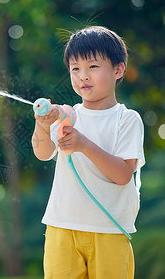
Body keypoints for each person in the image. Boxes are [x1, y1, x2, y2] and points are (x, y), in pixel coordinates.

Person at [31, 26, 145, 279]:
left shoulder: (126, 119)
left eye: (93, 67)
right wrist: (42, 124)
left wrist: (84, 145)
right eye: (75, 69)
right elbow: (42, 152)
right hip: (62, 226)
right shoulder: (67, 116)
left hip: (109, 230)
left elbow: (123, 174)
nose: (83, 76)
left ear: (118, 69)